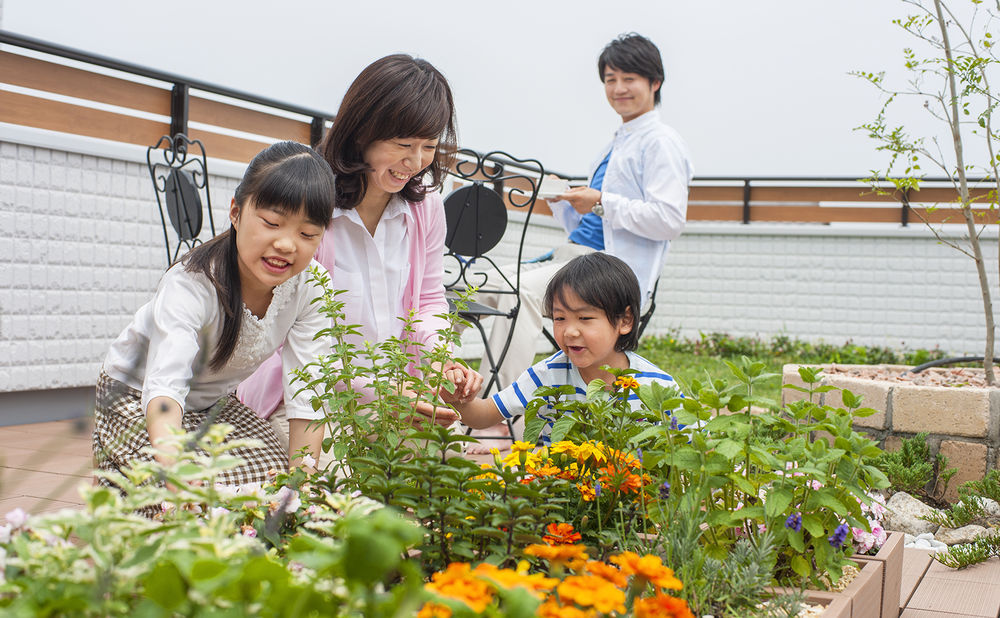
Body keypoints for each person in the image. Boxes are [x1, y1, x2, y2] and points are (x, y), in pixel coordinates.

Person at [238, 54, 480, 453]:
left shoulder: (426, 206)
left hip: (397, 397)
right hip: (307, 396)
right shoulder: (312, 202)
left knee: (443, 472)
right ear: (361, 133)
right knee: (339, 492)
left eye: (429, 147)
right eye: (402, 145)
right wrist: (380, 391)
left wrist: (439, 363)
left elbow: (431, 299)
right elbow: (294, 334)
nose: (415, 163)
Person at [468, 32, 694, 451]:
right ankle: (493, 406)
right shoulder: (619, 141)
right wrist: (565, 199)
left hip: (603, 269)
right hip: (575, 254)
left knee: (520, 292)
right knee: (498, 285)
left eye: (630, 78)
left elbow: (669, 218)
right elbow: (594, 216)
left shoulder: (660, 142)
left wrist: (602, 201)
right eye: (610, 79)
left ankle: (500, 422)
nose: (619, 88)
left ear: (655, 82)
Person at [93, 141, 335, 488]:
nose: (286, 244)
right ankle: (117, 481)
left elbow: (307, 390)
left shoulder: (312, 288)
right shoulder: (192, 283)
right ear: (236, 212)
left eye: (307, 234)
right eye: (271, 222)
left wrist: (303, 486)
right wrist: (177, 475)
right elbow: (164, 385)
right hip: (135, 395)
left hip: (211, 405)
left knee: (272, 480)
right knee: (185, 491)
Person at [453, 253, 676, 444]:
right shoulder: (547, 376)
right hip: (563, 490)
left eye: (584, 317)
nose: (569, 331)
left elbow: (693, 441)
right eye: (559, 318)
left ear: (625, 321)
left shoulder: (656, 387)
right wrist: (459, 397)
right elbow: (483, 415)